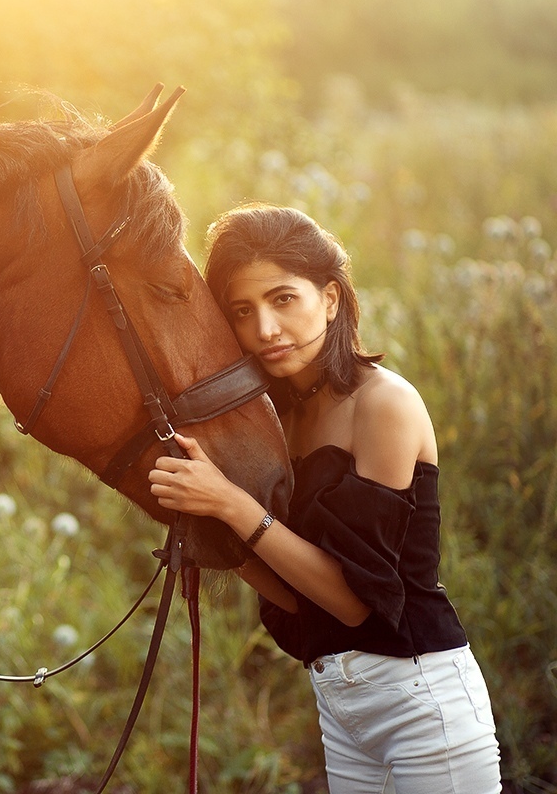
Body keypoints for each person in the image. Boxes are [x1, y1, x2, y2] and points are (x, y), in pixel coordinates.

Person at [148, 204, 501, 793]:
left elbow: (355, 603)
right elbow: (296, 595)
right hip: (340, 708)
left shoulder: (382, 404)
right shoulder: (278, 421)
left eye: (283, 299)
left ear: (331, 300)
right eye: (242, 311)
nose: (265, 330)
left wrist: (232, 505)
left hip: (422, 706)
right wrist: (204, 519)